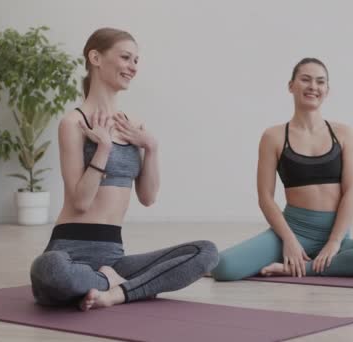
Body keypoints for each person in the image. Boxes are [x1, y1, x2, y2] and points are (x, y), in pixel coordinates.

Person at [30, 28, 218, 311]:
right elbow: (80, 202)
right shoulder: (74, 123)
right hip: (69, 253)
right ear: (95, 57)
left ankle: (114, 292)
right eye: (126, 58)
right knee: (50, 270)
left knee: (206, 252)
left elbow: (148, 197)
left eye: (136, 61)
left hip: (114, 258)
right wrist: (103, 148)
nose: (133, 67)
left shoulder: (133, 126)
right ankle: (111, 283)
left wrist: (151, 147)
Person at [212, 58, 353, 281]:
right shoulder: (273, 136)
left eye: (320, 82)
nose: (313, 86)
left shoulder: (343, 133)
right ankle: (309, 261)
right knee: (223, 268)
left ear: (327, 90)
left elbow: (351, 191)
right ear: (291, 86)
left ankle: (296, 269)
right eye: (305, 79)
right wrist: (290, 241)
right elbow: (265, 197)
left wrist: (334, 242)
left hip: (336, 234)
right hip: (294, 230)